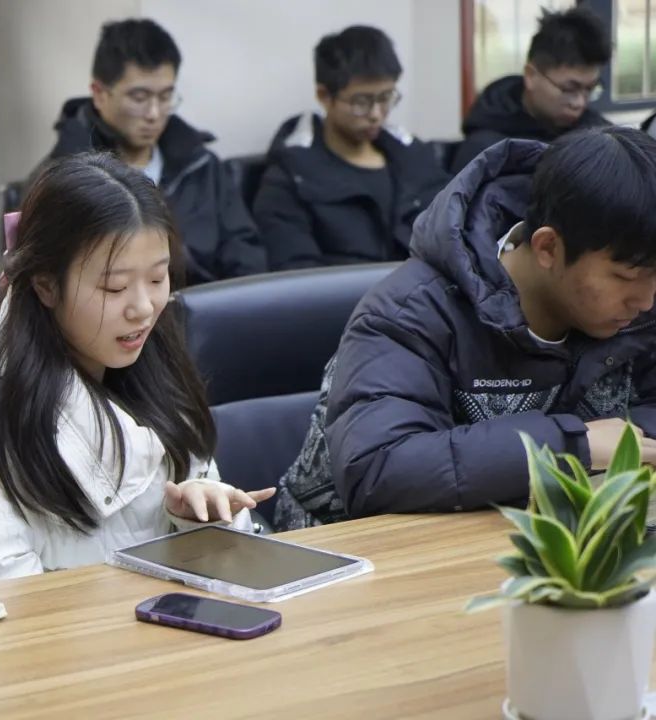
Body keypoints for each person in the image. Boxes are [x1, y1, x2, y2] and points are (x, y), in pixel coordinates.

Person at [0, 153, 274, 579]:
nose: (143, 308)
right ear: (46, 285)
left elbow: (216, 571)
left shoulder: (155, 368)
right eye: (115, 287)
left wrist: (203, 526)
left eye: (158, 279)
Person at [273, 126, 656, 531]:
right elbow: (379, 468)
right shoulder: (411, 312)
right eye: (626, 277)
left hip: (537, 540)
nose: (646, 300)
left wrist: (625, 440)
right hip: (349, 550)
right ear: (547, 248)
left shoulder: (636, 306)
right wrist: (570, 446)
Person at [44, 18, 265, 285]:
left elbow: (247, 259)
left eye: (165, 97)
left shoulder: (202, 167)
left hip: (208, 307)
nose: (154, 113)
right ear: (99, 94)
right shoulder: (65, 182)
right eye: (139, 98)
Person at [253, 26, 449, 270]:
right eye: (361, 102)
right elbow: (296, 277)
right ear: (324, 96)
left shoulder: (414, 159)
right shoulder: (291, 177)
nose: (376, 114)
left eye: (385, 98)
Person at [451, 6, 610, 174]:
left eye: (589, 89)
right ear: (531, 75)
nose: (579, 103)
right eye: (569, 89)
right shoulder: (484, 153)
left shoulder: (600, 136)